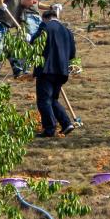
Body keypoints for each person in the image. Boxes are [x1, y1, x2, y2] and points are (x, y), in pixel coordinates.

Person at [31, 8, 77, 137]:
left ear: (45, 18)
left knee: (44, 100)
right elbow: (72, 53)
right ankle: (66, 123)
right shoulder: (68, 32)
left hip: (46, 69)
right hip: (62, 71)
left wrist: (41, 26)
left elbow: (34, 42)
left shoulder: (45, 27)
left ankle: (49, 129)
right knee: (53, 99)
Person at [0, 0, 41, 78]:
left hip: (5, 29)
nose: (32, 5)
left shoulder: (22, 10)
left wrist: (25, 33)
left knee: (11, 49)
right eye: (33, 2)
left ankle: (18, 71)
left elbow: (21, 24)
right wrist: (1, 3)